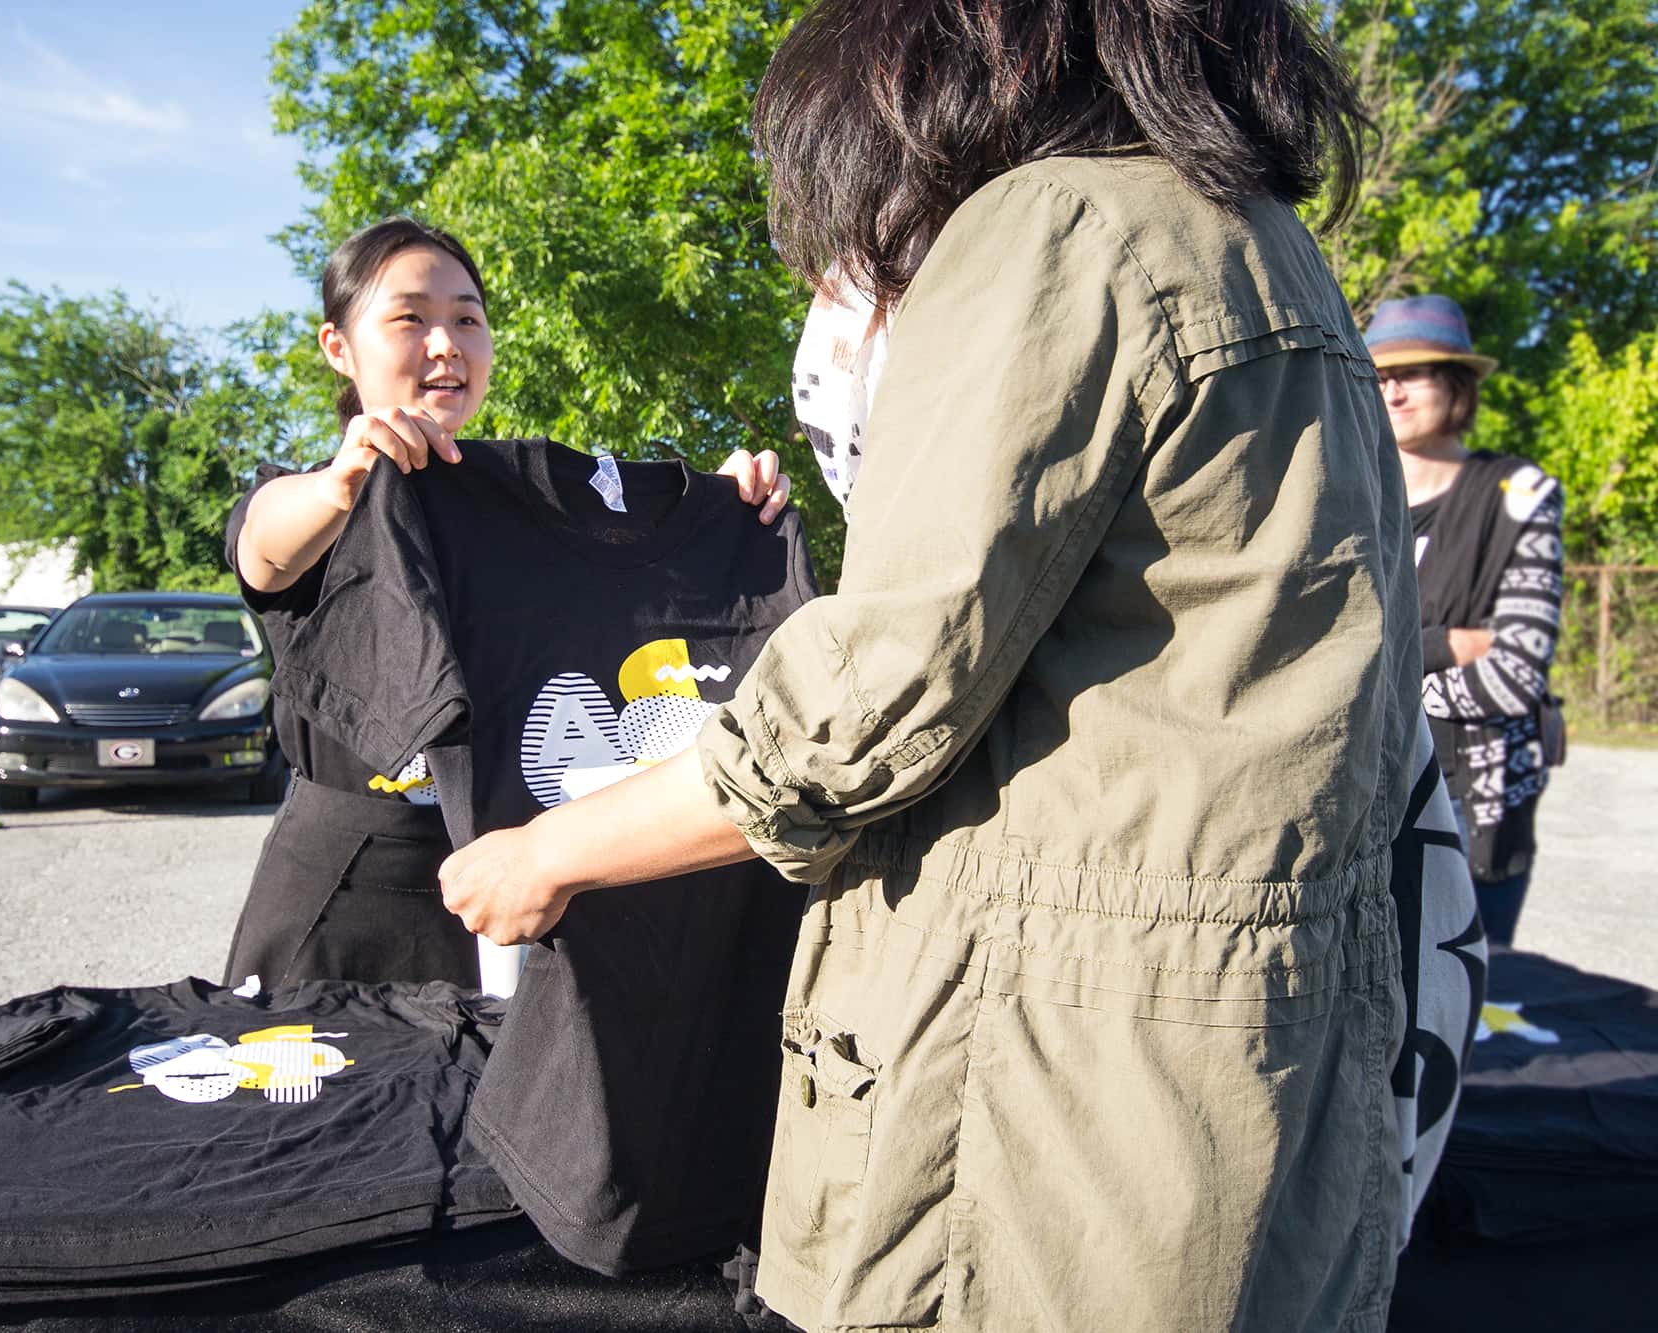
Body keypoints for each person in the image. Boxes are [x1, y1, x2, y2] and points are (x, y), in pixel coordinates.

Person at [440, 3, 1427, 1329]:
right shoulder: (1266, 248)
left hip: (1056, 1110)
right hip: (1246, 1068)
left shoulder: (1058, 227)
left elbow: (866, 701)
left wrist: (548, 851)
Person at [222, 215, 791, 991]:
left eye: (466, 319)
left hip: (507, 902)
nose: (445, 343)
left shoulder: (518, 521)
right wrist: (345, 479)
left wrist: (723, 522)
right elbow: (264, 546)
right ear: (338, 347)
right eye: (410, 318)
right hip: (346, 914)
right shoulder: (318, 499)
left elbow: (624, 596)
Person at [1367, 294, 1564, 945]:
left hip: (1475, 800)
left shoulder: (1519, 496)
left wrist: (1382, 676)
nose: (1393, 391)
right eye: (1380, 375)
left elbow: (1513, 680)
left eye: (1414, 372)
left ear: (1456, 383)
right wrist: (1448, 643)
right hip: (1362, 795)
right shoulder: (1344, 498)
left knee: (1473, 1014)